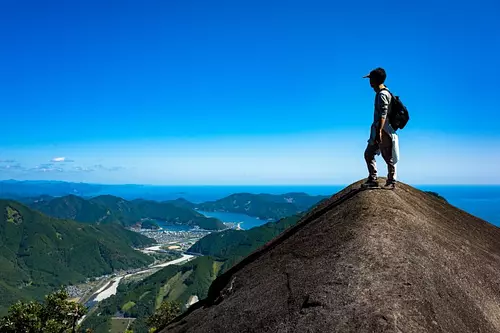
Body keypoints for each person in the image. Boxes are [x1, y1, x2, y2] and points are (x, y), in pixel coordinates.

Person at [362, 67, 398, 189]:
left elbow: (383, 114)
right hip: (382, 129)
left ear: (374, 80)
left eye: (370, 78)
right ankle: (374, 178)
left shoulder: (382, 95)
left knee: (386, 156)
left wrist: (379, 132)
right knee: (370, 154)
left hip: (383, 130)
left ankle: (390, 181)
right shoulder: (385, 93)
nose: (369, 81)